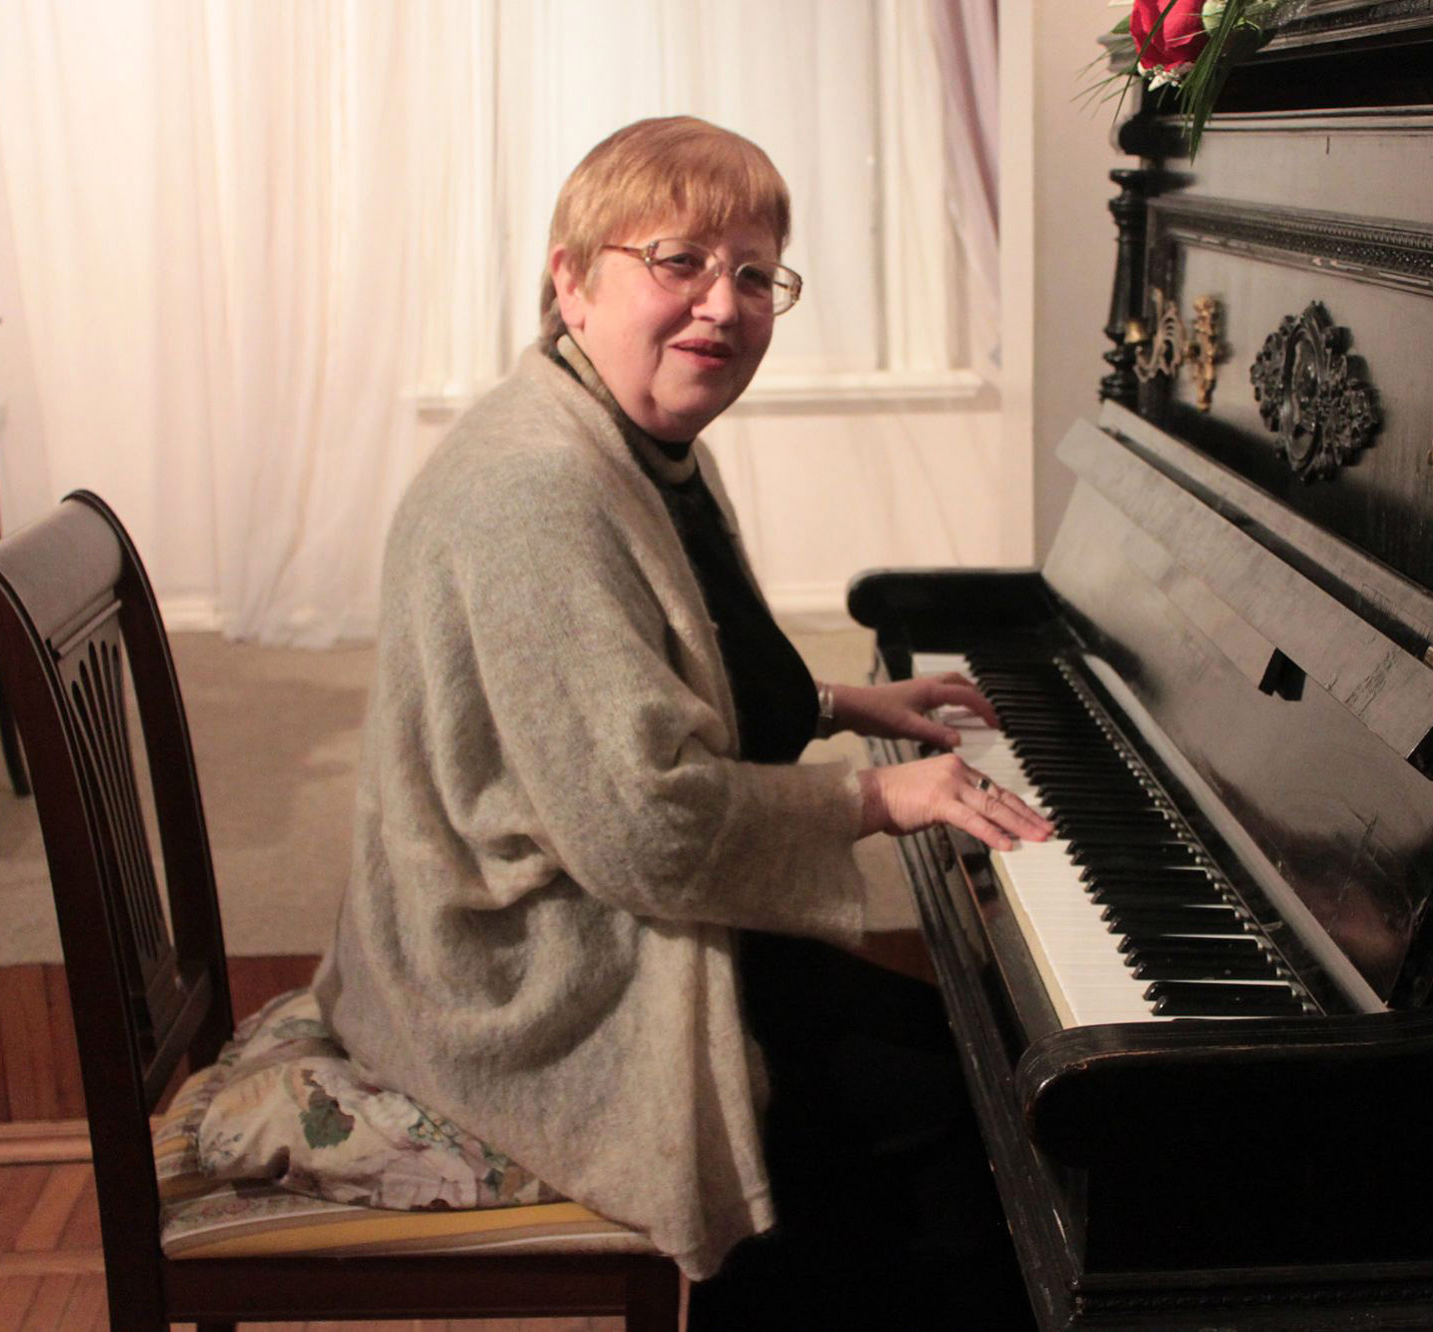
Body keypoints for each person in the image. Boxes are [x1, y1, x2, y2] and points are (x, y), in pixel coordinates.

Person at [314, 116, 1046, 1328]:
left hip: (601, 915)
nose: (722, 305)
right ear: (571, 279)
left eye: (755, 275)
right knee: (963, 1117)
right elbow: (644, 828)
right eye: (680, 262)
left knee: (962, 1061)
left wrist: (835, 705)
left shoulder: (632, 440)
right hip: (527, 971)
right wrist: (875, 795)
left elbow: (653, 683)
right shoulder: (534, 488)